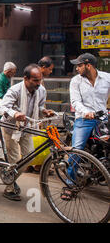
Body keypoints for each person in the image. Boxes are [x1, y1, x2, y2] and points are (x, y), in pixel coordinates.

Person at [0, 64, 54, 201]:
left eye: (40, 80)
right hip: (10, 127)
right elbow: (2, 107)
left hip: (27, 127)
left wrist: (44, 111)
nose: (38, 83)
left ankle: (8, 175)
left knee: (30, 157)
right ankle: (9, 188)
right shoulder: (15, 90)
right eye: (35, 80)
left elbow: (40, 105)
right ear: (25, 79)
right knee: (15, 159)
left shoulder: (41, 90)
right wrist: (15, 113)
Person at [63, 53, 110, 200]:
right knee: (76, 151)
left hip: (103, 119)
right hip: (84, 120)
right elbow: (76, 102)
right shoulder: (75, 81)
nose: (77, 68)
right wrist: (87, 112)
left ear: (88, 65)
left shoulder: (107, 78)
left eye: (79, 65)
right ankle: (70, 185)